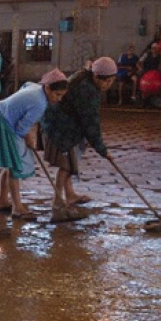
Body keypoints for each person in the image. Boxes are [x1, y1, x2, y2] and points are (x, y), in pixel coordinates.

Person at [41, 57, 117, 221]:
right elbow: (91, 123)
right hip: (61, 128)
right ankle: (57, 202)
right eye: (106, 81)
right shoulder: (87, 90)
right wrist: (102, 150)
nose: (108, 85)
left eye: (111, 81)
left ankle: (70, 195)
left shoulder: (87, 79)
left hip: (68, 126)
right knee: (66, 166)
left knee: (71, 162)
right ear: (96, 76)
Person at [0, 69, 69, 221]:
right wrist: (29, 139)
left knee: (11, 163)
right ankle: (17, 208)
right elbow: (22, 128)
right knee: (16, 165)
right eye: (57, 95)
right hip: (4, 123)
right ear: (47, 88)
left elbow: (25, 86)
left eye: (61, 96)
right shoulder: (40, 103)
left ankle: (2, 201)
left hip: (0, 115)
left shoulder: (36, 87)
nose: (58, 99)